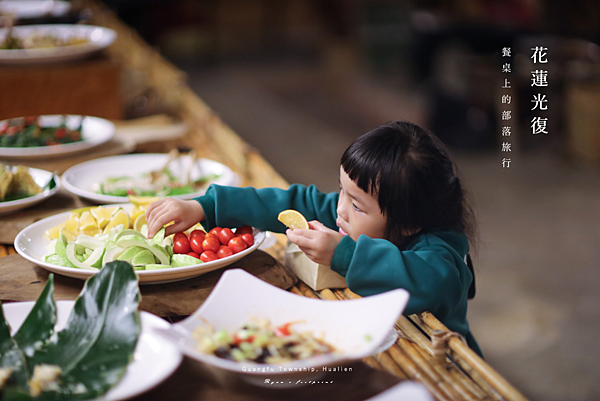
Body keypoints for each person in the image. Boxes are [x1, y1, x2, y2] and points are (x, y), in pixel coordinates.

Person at [146, 121, 482, 356]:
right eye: (341, 191)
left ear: (409, 224)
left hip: (445, 367)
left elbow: (425, 282)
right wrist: (204, 206)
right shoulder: (354, 214)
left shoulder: (442, 257)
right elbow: (297, 203)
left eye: (357, 205)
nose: (340, 209)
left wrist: (344, 255)